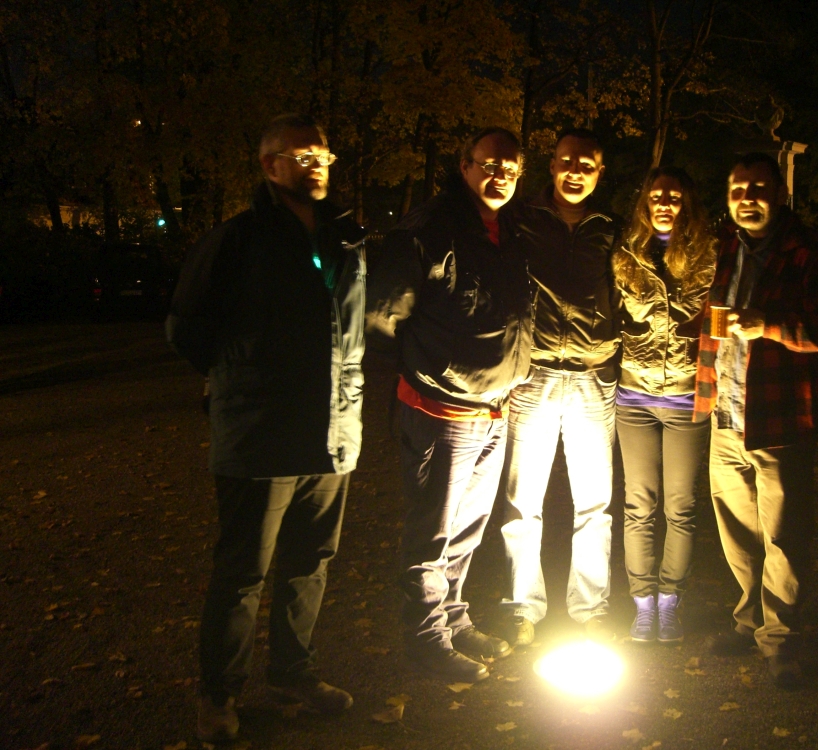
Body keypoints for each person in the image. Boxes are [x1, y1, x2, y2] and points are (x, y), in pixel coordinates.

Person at [166, 113, 366, 742]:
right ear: (268, 165)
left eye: (322, 156)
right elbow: (187, 327)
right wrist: (240, 379)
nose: (315, 166)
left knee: (310, 563)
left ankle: (293, 674)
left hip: (332, 433)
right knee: (243, 574)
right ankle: (219, 694)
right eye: (300, 156)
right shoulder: (237, 240)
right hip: (260, 435)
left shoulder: (346, 238)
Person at [366, 127, 534, 683]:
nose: (500, 176)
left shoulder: (507, 228)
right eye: (490, 165)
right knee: (431, 532)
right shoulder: (430, 228)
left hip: (492, 407)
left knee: (467, 529)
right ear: (464, 165)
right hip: (440, 408)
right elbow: (382, 318)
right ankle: (425, 638)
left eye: (510, 169)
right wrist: (425, 372)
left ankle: (454, 619)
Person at [696, 153, 818, 687]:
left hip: (781, 416)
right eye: (738, 189)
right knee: (739, 532)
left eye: (758, 188)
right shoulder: (722, 249)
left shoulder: (812, 252)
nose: (748, 198)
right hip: (726, 412)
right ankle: (750, 622)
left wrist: (770, 325)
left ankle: (782, 640)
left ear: (780, 194)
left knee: (784, 537)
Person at [498, 128, 621, 646]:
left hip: (593, 376)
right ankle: (521, 607)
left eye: (586, 165)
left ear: (599, 173)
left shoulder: (609, 229)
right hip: (536, 375)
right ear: (551, 165)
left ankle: (591, 607)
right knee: (523, 501)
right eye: (567, 162)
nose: (575, 172)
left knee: (595, 502)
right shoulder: (521, 220)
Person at [612, 166, 716, 644]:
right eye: (656, 196)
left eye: (674, 196)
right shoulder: (625, 253)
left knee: (681, 506)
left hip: (684, 396)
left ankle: (670, 601)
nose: (664, 203)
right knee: (638, 504)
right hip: (633, 394)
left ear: (686, 202)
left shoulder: (707, 255)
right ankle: (643, 604)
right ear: (645, 203)